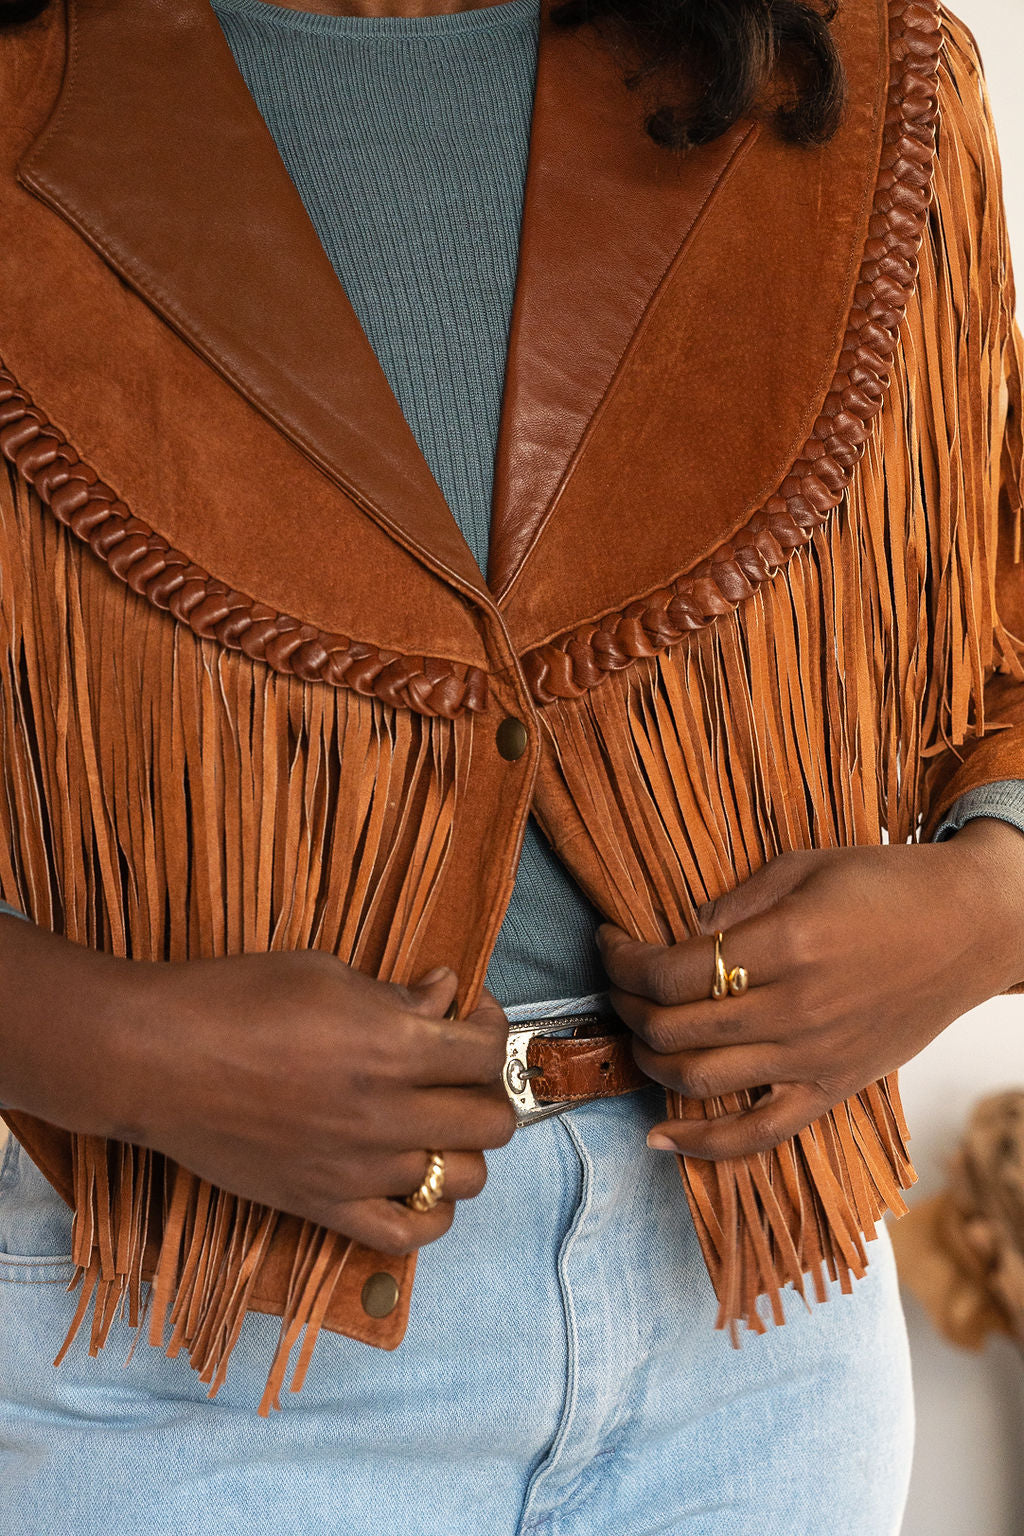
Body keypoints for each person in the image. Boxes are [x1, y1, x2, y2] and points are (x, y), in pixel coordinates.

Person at [0, 0, 1021, 1529]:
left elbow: (992, 618)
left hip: (756, 1332)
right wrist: (125, 1051)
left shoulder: (854, 81)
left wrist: (988, 908)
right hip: (174, 1339)